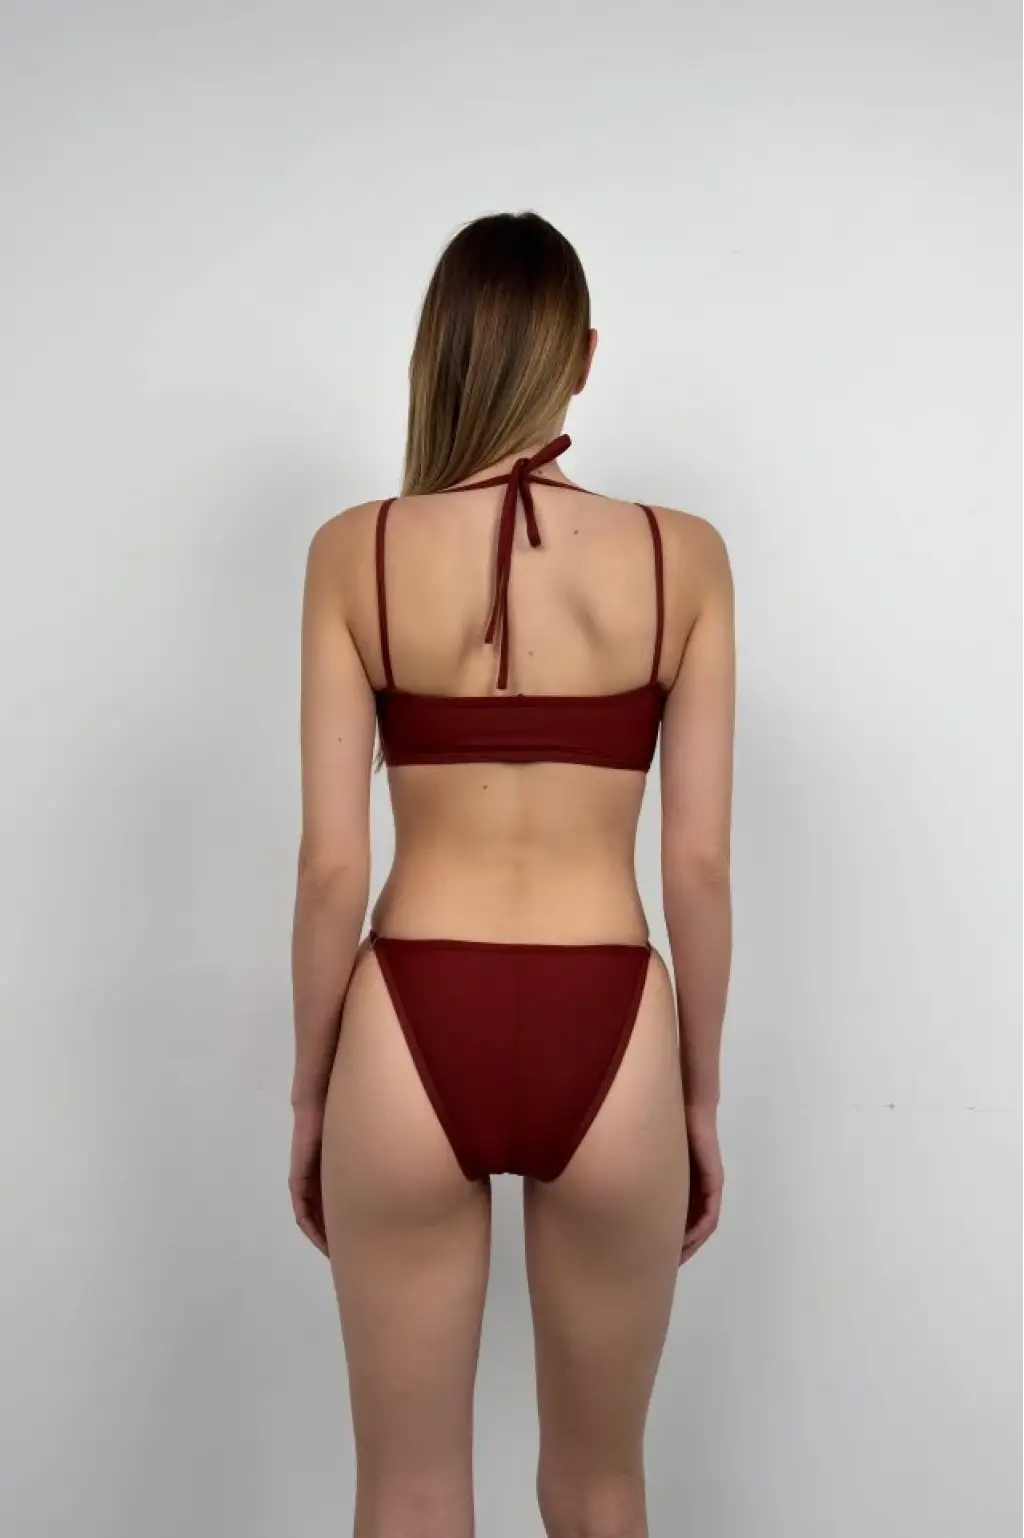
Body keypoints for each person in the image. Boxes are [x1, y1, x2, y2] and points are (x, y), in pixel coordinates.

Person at [288, 210, 735, 1538]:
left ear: (439, 349)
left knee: (408, 1494)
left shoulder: (356, 550)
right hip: (614, 1023)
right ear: (580, 356)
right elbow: (699, 865)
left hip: (409, 1024)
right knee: (601, 1489)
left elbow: (331, 868)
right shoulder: (684, 557)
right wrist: (700, 1095)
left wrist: (311, 1094)